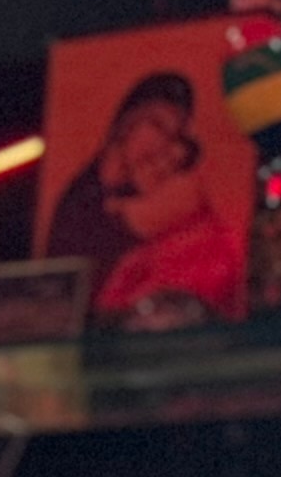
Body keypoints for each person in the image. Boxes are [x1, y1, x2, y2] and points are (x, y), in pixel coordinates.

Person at [41, 71, 244, 325]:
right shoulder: (82, 206)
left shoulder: (169, 199)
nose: (168, 150)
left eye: (176, 138)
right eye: (158, 126)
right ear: (124, 124)